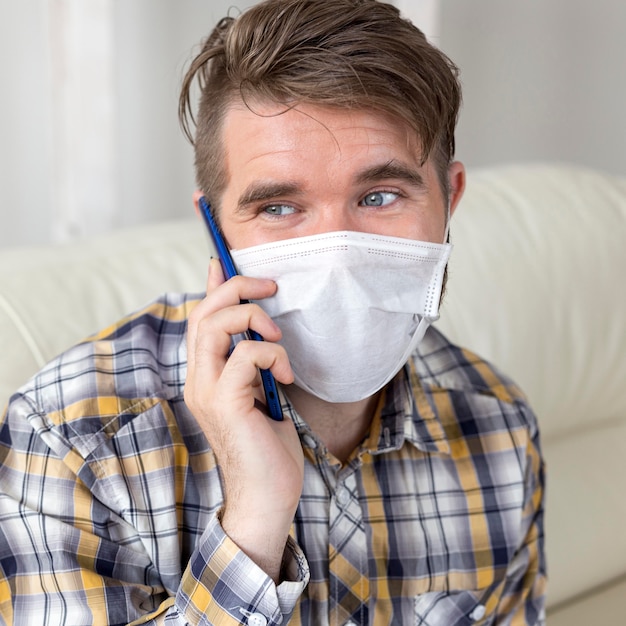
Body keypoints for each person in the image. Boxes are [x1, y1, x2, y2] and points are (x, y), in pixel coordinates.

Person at [0, 0, 546, 624]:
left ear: (448, 200)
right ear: (216, 232)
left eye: (380, 195)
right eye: (279, 208)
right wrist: (253, 527)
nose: (338, 255)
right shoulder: (70, 443)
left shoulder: (500, 430)